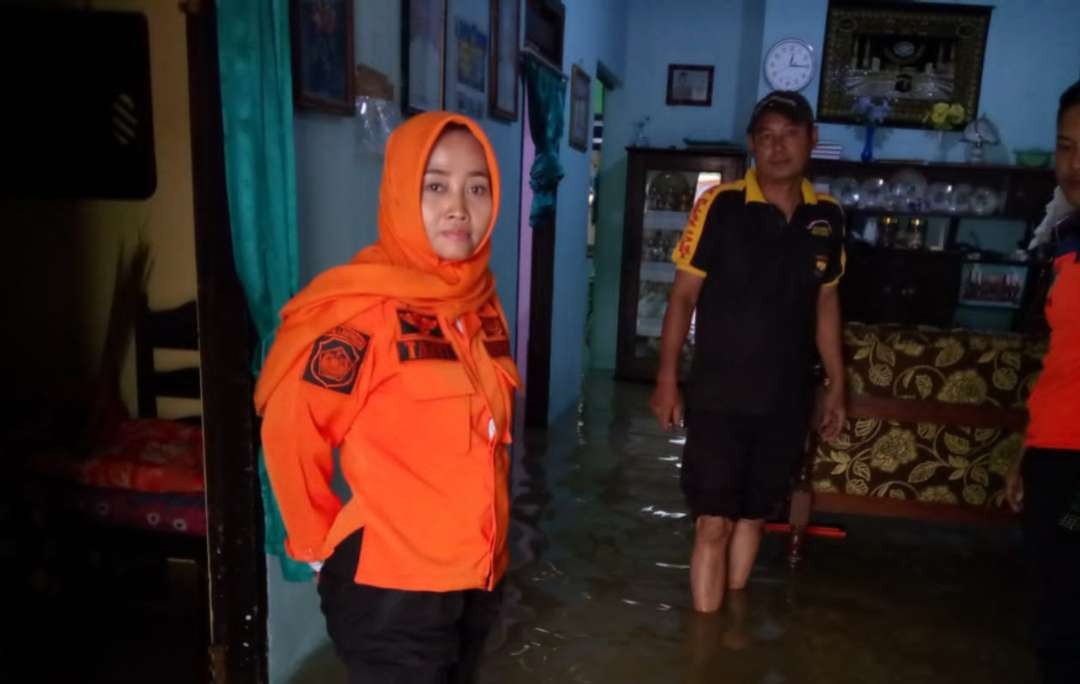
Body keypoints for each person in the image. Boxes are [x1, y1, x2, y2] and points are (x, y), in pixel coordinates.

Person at [254, 112, 520, 683]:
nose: (458, 206)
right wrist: (319, 548)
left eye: (478, 187)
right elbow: (290, 430)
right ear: (401, 192)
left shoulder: (480, 305)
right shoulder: (364, 311)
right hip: (392, 592)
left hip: (474, 582)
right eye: (436, 185)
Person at [650, 90, 847, 613]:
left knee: (756, 515)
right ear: (752, 145)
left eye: (790, 134)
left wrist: (836, 386)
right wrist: (668, 379)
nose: (778, 146)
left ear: (811, 140)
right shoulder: (720, 206)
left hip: (786, 398)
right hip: (719, 395)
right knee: (713, 521)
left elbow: (827, 305)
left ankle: (725, 637)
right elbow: (683, 297)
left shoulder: (827, 216)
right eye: (766, 136)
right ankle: (705, 642)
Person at [1006, 79, 1080, 684]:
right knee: (1053, 621)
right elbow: (1063, 359)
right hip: (1054, 454)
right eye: (1065, 146)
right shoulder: (1066, 241)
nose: (1075, 164)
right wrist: (1027, 451)